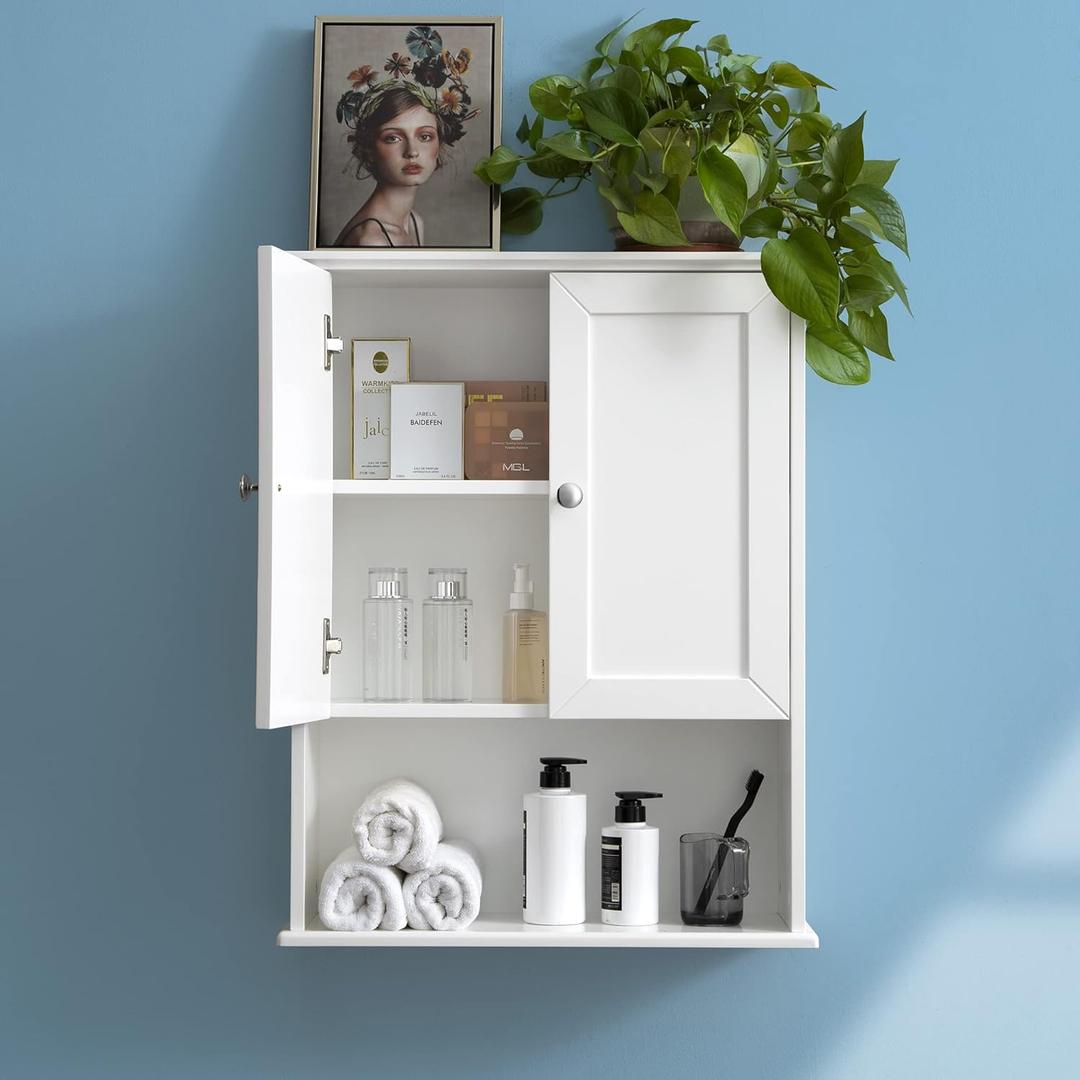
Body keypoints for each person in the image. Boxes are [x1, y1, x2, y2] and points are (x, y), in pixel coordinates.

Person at [334, 86, 448, 247]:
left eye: (424, 136)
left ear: (439, 145)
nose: (412, 152)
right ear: (370, 148)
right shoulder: (371, 241)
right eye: (393, 138)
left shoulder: (414, 221)